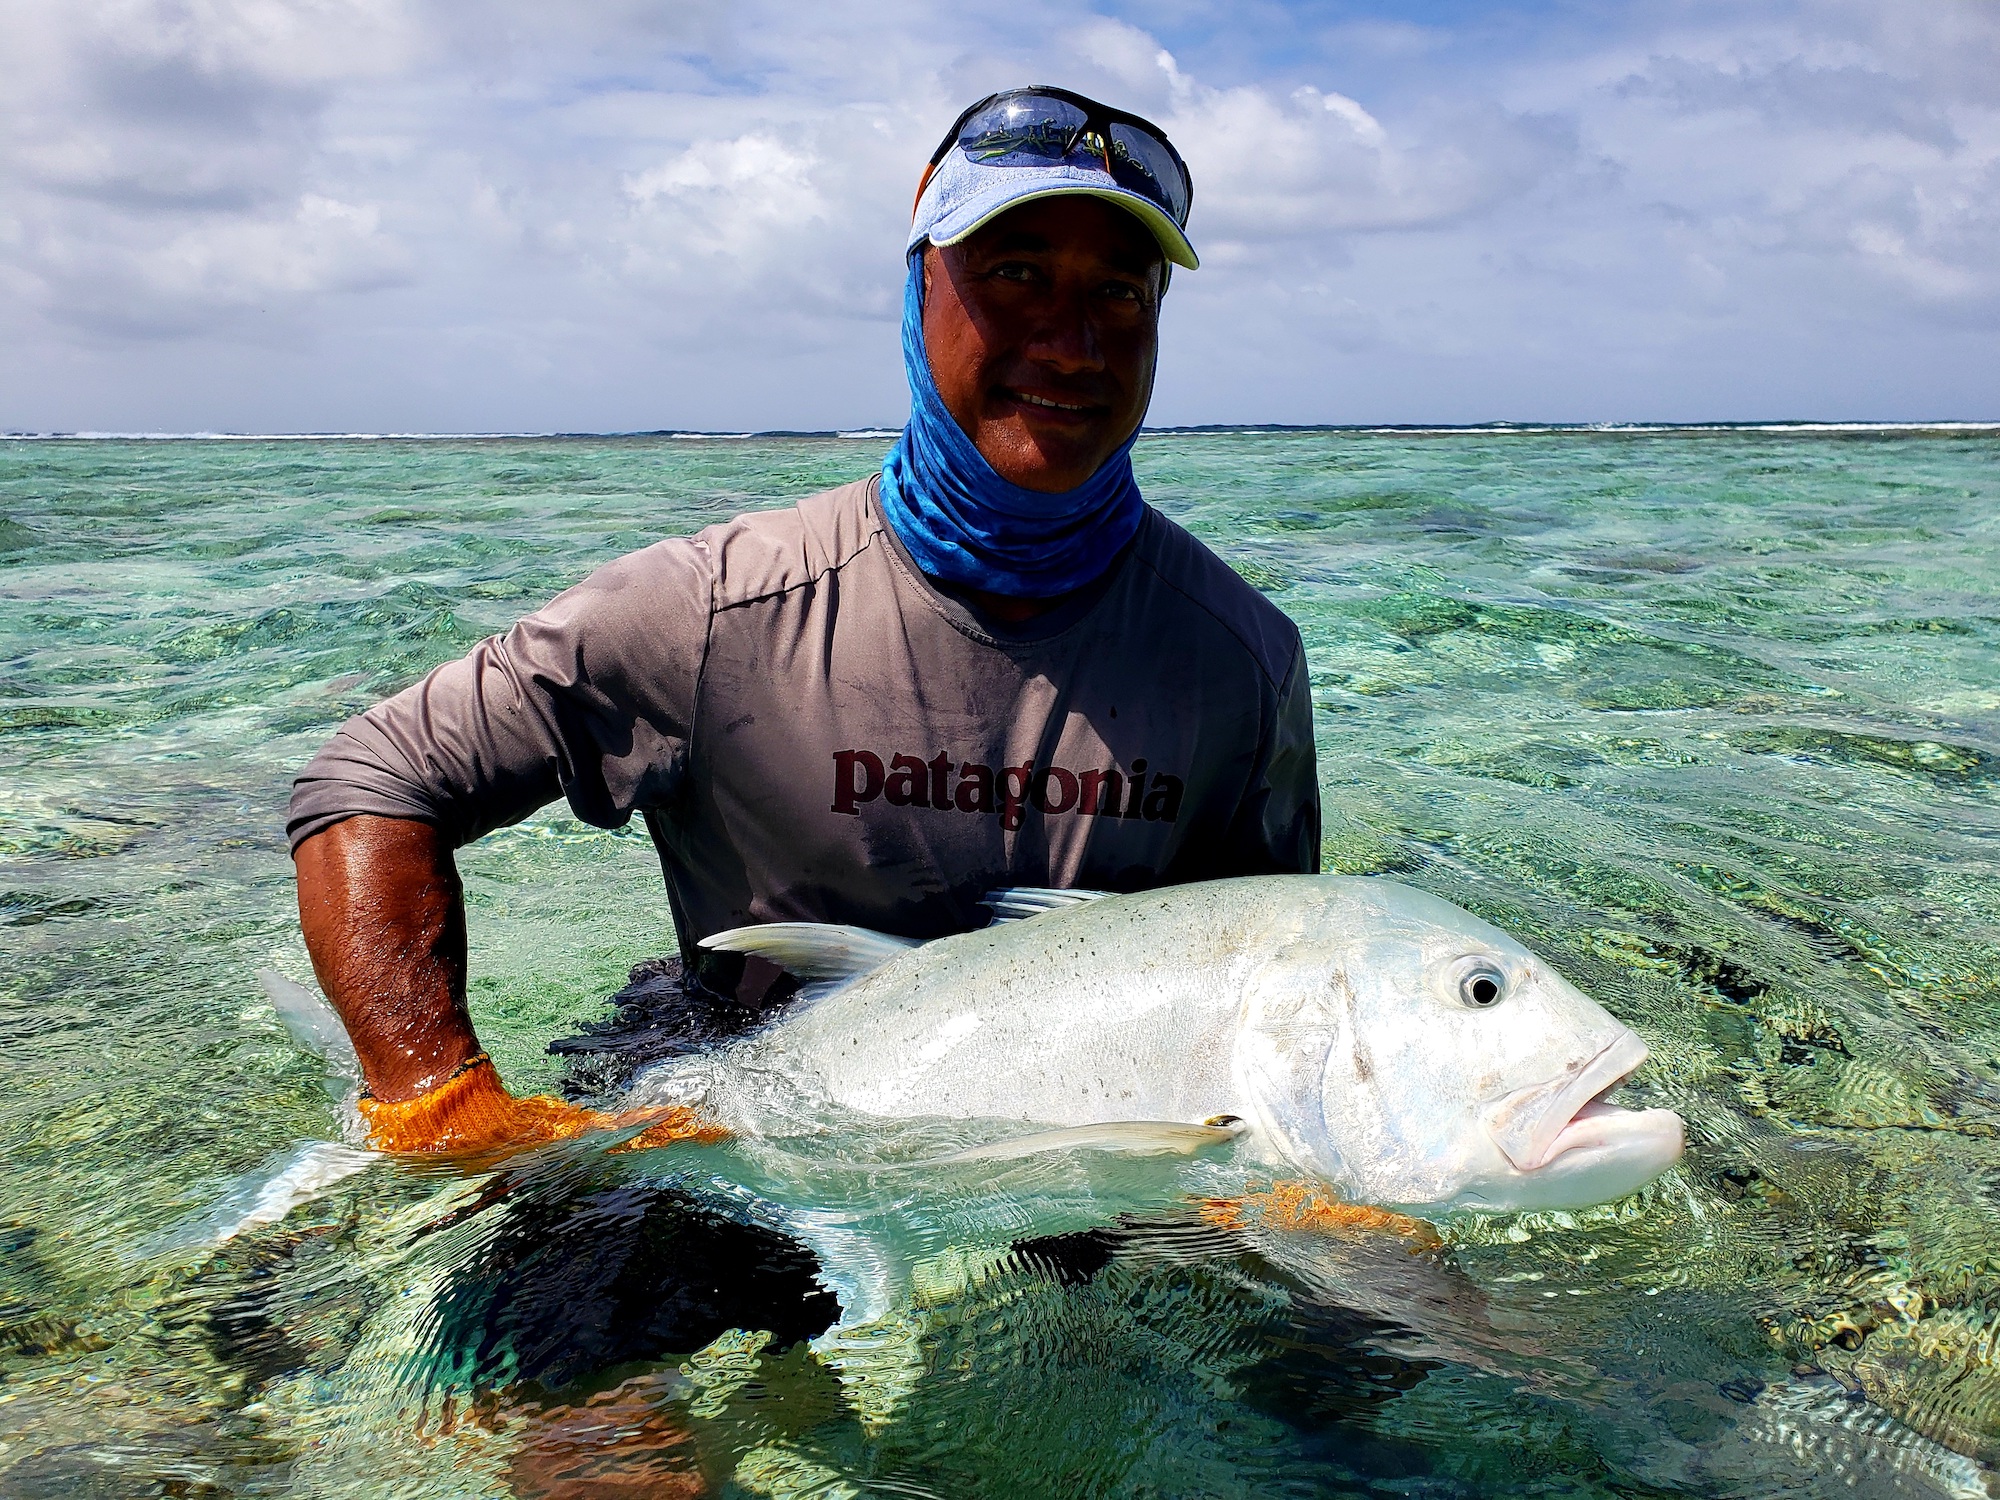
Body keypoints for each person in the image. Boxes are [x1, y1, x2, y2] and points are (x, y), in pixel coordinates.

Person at [288, 86, 1320, 1155]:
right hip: (729, 1126)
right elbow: (370, 778)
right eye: (1014, 275)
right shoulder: (713, 612)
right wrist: (431, 1092)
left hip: (1073, 1168)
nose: (1071, 345)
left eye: (1119, 293)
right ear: (919, 290)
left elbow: (1273, 981)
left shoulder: (1241, 662)